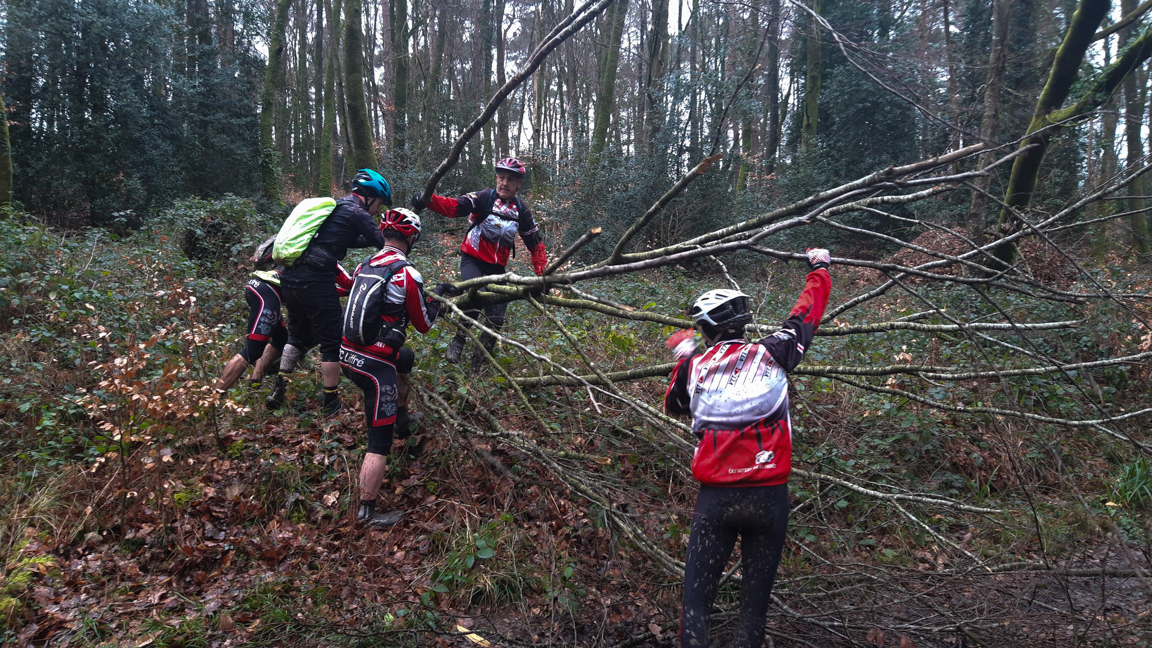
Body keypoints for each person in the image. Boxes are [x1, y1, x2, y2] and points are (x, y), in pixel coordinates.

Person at [665, 248, 832, 648]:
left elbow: (675, 406)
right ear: (743, 322)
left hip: (716, 500)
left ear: (706, 329)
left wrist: (684, 354)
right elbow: (807, 313)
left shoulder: (693, 368)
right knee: (753, 612)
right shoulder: (775, 353)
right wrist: (820, 268)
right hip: (769, 497)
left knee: (696, 607)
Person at [338, 208, 457, 526]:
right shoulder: (406, 274)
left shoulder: (365, 264)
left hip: (347, 356)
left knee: (405, 357)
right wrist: (439, 296)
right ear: (412, 238)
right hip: (374, 369)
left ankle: (402, 420)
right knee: (378, 444)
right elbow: (424, 324)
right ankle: (366, 512)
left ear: (385, 235)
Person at [268, 169, 391, 416]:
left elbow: (350, 240)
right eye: (378, 203)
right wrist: (396, 234)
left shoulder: (337, 208)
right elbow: (382, 242)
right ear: (369, 196)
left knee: (297, 334)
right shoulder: (357, 212)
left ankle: (279, 388)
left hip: (290, 277)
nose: (377, 210)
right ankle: (331, 402)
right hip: (316, 279)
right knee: (332, 341)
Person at [410, 157, 547, 368]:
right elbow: (454, 206)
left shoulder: (522, 211)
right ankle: (458, 340)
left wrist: (544, 276)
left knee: (497, 317)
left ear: (519, 183)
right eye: (501, 177)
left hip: (497, 269)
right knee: (477, 295)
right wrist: (427, 200)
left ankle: (478, 363)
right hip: (472, 261)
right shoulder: (484, 197)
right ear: (496, 178)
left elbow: (535, 244)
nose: (504, 183)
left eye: (511, 179)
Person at [213, 236, 289, 393]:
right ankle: (214, 398)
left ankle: (254, 385)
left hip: (260, 287)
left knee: (281, 339)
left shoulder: (291, 239)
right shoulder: (312, 248)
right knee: (252, 350)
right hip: (267, 293)